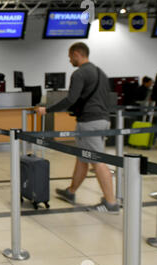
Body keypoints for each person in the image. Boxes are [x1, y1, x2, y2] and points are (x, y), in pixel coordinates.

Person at [35, 42, 118, 214]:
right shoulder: (100, 72)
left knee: (97, 161)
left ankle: (111, 203)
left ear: (77, 54)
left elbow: (70, 99)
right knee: (82, 158)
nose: (69, 59)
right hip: (102, 119)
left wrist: (47, 110)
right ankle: (71, 192)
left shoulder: (79, 73)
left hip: (89, 121)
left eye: (70, 56)